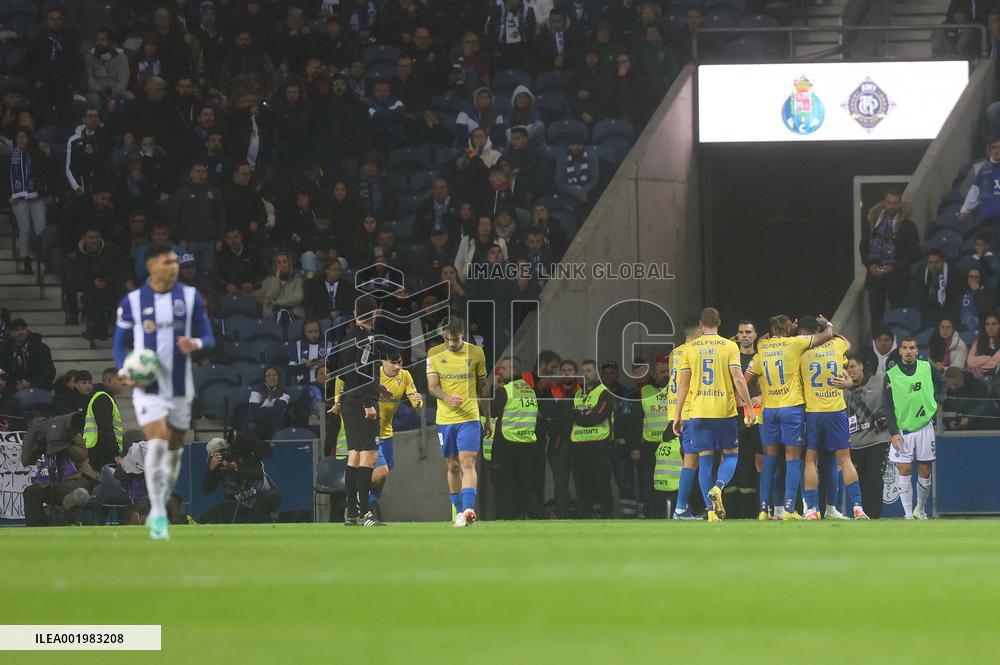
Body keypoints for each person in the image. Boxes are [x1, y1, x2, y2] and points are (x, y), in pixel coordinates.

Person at [113, 243, 215, 540]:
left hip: (180, 384)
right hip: (149, 385)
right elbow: (120, 344)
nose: (173, 268)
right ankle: (157, 510)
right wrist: (123, 368)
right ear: (150, 266)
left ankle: (161, 499)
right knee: (156, 442)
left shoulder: (190, 297)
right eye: (166, 262)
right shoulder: (132, 301)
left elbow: (207, 336)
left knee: (172, 452)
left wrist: (194, 344)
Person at [746, 314, 835, 520]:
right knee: (793, 458)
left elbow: (746, 377)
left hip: (769, 410)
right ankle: (789, 508)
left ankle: (763, 508)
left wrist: (750, 402)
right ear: (788, 328)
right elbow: (827, 335)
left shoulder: (763, 347)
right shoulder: (794, 343)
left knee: (770, 459)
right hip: (792, 408)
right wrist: (826, 323)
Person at [674, 308, 754, 522]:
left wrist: (677, 415)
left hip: (698, 412)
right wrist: (748, 406)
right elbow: (738, 378)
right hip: (724, 411)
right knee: (731, 454)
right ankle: (718, 488)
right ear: (719, 323)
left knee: (705, 459)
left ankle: (710, 511)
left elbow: (683, 385)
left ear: (701, 324)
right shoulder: (729, 346)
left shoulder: (690, 349)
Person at [334, 349, 422, 521]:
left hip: (387, 433)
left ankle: (360, 505)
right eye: (393, 362)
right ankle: (359, 504)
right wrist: (338, 401)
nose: (397, 367)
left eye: (400, 363)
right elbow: (340, 378)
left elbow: (414, 397)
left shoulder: (405, 376)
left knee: (382, 477)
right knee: (381, 472)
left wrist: (418, 401)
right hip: (368, 429)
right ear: (383, 361)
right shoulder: (372, 373)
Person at [796, 317, 868, 520]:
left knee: (810, 459)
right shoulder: (836, 346)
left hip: (813, 412)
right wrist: (829, 326)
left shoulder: (801, 352)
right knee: (845, 459)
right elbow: (846, 341)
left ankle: (811, 509)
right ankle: (857, 508)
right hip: (836, 411)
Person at [425, 316, 490, 527]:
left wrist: (487, 418)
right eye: (446, 339)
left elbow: (484, 388)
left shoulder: (476, 353)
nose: (450, 344)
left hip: (469, 417)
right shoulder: (434, 354)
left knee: (468, 463)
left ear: (462, 333)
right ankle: (460, 512)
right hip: (445, 419)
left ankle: (469, 509)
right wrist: (447, 398)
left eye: (453, 339)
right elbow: (433, 387)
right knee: (453, 467)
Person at [330, 295, 384, 526]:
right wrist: (368, 402)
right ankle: (364, 514)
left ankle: (351, 513)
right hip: (362, 402)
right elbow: (360, 371)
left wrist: (376, 387)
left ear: (354, 314)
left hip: (349, 399)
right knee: (369, 456)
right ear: (374, 314)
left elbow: (343, 373)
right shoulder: (368, 339)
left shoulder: (348, 337)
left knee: (354, 454)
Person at [883, 337, 944, 519]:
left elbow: (942, 382)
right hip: (903, 430)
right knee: (904, 469)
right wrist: (893, 433)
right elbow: (887, 406)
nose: (908, 351)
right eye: (905, 348)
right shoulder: (891, 375)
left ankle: (920, 508)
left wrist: (939, 399)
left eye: (912, 348)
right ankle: (908, 515)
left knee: (925, 470)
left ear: (917, 350)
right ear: (900, 350)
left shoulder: (927, 367)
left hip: (924, 427)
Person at [860, 190, 920, 330]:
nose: (892, 206)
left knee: (897, 316)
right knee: (876, 317)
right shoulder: (871, 223)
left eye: (895, 203)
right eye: (889, 203)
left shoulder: (908, 226)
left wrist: (894, 267)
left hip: (898, 279)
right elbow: (863, 247)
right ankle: (876, 346)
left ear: (900, 204)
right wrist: (870, 266)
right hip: (875, 278)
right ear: (883, 203)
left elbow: (914, 253)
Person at [491, 355, 542, 519]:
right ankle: (536, 515)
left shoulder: (505, 390)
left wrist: (496, 387)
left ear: (514, 370)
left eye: (504, 368)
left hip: (507, 442)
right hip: (527, 442)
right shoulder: (530, 390)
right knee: (525, 483)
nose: (500, 372)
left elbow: (491, 411)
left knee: (504, 483)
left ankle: (505, 518)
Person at [842, 352, 891, 518]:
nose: (850, 371)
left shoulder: (879, 381)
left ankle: (874, 516)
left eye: (853, 367)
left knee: (874, 480)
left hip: (878, 440)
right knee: (859, 482)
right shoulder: (842, 390)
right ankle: (861, 514)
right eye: (846, 369)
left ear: (861, 365)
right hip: (855, 442)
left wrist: (883, 416)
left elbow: (891, 403)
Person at [569, 359, 615, 519]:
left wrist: (578, 416)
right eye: (583, 371)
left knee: (602, 484)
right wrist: (581, 415)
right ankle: (585, 518)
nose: (585, 374)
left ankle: (607, 516)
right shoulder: (577, 394)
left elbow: (594, 418)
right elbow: (569, 417)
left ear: (597, 373)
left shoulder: (605, 393)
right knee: (582, 486)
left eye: (589, 371)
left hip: (598, 447)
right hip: (578, 448)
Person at [668, 316, 702, 519]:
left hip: (676, 412)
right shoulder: (693, 352)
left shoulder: (675, 352)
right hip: (689, 412)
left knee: (692, 460)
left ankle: (684, 507)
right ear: (699, 330)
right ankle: (680, 509)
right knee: (691, 460)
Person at [638, 354, 680, 518]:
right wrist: (636, 445)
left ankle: (679, 511)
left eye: (669, 371)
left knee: (678, 480)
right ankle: (652, 514)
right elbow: (637, 419)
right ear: (654, 373)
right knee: (650, 482)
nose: (666, 374)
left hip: (675, 444)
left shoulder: (680, 389)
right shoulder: (645, 391)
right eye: (662, 371)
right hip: (651, 444)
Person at [8, 127, 48, 275]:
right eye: (18, 137)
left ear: (29, 138)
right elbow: (5, 178)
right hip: (17, 198)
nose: (21, 140)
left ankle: (43, 259)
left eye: (24, 136)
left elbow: (43, 173)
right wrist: (8, 194)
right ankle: (26, 260)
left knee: (41, 229)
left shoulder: (38, 154)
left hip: (36, 196)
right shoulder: (10, 156)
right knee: (24, 229)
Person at [83, 368, 125, 472]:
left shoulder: (103, 397)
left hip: (100, 449)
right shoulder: (102, 398)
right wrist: (114, 453)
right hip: (102, 452)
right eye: (120, 380)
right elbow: (105, 428)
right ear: (110, 381)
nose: (123, 383)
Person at [909, 249, 961, 329]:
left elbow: (956, 300)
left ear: (943, 262)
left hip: (947, 313)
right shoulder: (921, 274)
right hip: (927, 314)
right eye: (930, 263)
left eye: (937, 262)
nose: (933, 266)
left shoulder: (953, 274)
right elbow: (916, 298)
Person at [0, 319, 55, 391]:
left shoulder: (40, 348)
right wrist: (14, 386)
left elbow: (50, 372)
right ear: (11, 333)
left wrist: (31, 384)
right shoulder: (5, 350)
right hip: (13, 389)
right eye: (17, 330)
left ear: (27, 330)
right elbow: (3, 370)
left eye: (23, 329)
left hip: (37, 387)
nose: (21, 332)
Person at [251, 251, 305, 319]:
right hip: (272, 315)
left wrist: (276, 302)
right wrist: (276, 279)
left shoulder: (298, 280)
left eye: (285, 262)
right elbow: (269, 296)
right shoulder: (268, 281)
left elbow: (297, 298)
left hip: (293, 315)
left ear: (289, 264)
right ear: (275, 266)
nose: (282, 265)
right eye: (279, 263)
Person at [942, 367, 998, 431]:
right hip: (954, 422)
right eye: (950, 384)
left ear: (962, 379)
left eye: (956, 384)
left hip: (977, 420)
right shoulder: (942, 388)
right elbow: (941, 408)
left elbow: (984, 403)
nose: (953, 387)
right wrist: (948, 422)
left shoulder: (977, 384)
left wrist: (969, 417)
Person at [247, 367, 290, 434]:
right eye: (268, 375)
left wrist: (262, 409)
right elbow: (253, 413)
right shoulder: (256, 390)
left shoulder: (285, 392)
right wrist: (270, 407)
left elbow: (276, 411)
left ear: (279, 377)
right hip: (259, 425)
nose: (271, 378)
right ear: (264, 378)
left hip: (276, 425)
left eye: (274, 375)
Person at [289, 320, 332, 386]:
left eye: (316, 331)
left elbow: (337, 366)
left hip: (325, 385)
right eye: (310, 332)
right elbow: (290, 370)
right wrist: (305, 366)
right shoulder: (297, 345)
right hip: (303, 385)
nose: (314, 334)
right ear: (304, 333)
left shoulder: (329, 344)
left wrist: (326, 364)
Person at [959, 266, 994, 335]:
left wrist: (977, 291)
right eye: (971, 277)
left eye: (976, 277)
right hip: (962, 327)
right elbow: (956, 311)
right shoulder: (962, 291)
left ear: (980, 278)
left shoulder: (988, 291)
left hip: (979, 327)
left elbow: (984, 310)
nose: (973, 279)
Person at [966, 313, 1000, 380]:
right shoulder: (979, 340)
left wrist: (976, 364)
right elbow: (969, 362)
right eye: (987, 324)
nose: (990, 327)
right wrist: (987, 358)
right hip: (977, 375)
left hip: (995, 377)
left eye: (994, 324)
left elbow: (993, 364)